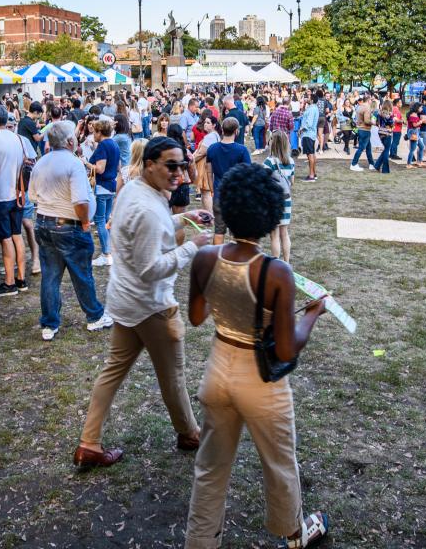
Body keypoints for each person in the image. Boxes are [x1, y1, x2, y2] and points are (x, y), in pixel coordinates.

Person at [183, 162, 329, 549]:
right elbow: (285, 348)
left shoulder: (204, 258)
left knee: (210, 468)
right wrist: (312, 315)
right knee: (280, 465)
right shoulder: (276, 271)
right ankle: (295, 534)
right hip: (262, 384)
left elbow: (197, 317)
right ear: (269, 213)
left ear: (227, 209)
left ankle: (200, 541)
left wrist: (226, 297)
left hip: (217, 371)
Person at [73, 137, 213, 469]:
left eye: (182, 165)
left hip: (125, 300)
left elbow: (153, 228)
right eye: (171, 165)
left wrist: (186, 216)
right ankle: (190, 433)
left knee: (113, 370)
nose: (179, 173)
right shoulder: (148, 207)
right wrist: (193, 246)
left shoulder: (135, 189)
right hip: (151, 307)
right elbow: (153, 269)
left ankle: (88, 443)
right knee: (174, 377)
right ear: (150, 164)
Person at [30, 120, 113, 341]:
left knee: (51, 275)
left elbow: (32, 196)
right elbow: (80, 200)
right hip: (69, 224)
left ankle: (49, 324)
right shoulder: (73, 163)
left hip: (44, 222)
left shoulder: (41, 163)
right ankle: (95, 316)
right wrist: (85, 222)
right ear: (69, 141)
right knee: (81, 274)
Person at [0, 106, 30, 297]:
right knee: (16, 235)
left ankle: (9, 283)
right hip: (16, 194)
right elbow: (25, 161)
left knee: (5, 239)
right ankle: (21, 279)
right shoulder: (17, 137)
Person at [206, 117, 252, 245]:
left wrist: (212, 190)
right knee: (237, 233)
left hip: (219, 195)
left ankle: (216, 260)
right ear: (236, 131)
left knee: (219, 231)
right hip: (236, 197)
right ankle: (234, 262)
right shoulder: (242, 150)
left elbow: (209, 172)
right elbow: (248, 175)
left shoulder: (212, 149)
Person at [85, 117, 120, 268]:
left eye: (94, 131)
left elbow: (100, 169)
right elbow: (118, 167)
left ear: (100, 132)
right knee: (106, 220)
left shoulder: (103, 146)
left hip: (102, 186)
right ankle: (111, 251)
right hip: (111, 186)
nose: (93, 133)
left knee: (99, 221)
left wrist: (85, 162)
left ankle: (106, 254)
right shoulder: (114, 144)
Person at [263, 130, 295, 263]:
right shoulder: (291, 161)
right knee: (284, 233)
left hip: (273, 201)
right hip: (286, 199)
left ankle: (276, 263)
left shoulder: (269, 161)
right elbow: (292, 182)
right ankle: (286, 262)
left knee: (274, 235)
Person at [349, 93, 377, 171]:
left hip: (361, 129)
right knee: (361, 148)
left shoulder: (359, 107)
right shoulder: (367, 108)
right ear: (368, 100)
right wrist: (374, 122)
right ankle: (353, 164)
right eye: (371, 100)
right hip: (365, 130)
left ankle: (371, 164)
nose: (372, 101)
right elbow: (367, 120)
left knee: (368, 148)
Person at [298, 94, 319, 181]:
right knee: (312, 154)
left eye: (309, 98)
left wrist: (301, 129)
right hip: (312, 134)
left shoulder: (311, 109)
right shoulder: (314, 108)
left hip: (308, 134)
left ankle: (311, 176)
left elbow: (308, 123)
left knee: (310, 155)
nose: (307, 98)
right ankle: (313, 173)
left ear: (312, 100)